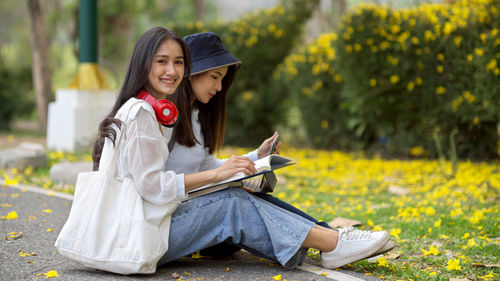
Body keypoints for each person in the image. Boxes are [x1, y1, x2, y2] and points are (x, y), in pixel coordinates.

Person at [162, 31, 393, 269]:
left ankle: (331, 237)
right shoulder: (161, 117)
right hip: (156, 229)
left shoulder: (195, 117)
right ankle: (332, 243)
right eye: (214, 77)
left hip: (184, 217)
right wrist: (217, 177)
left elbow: (207, 167)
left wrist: (255, 158)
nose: (220, 87)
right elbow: (151, 184)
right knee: (233, 200)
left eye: (222, 79)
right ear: (191, 73)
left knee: (251, 193)